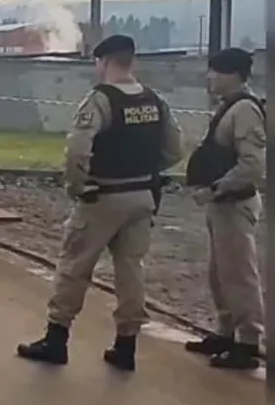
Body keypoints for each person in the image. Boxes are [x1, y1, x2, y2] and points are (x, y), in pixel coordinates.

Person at [16, 34, 183, 372]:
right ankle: (126, 346)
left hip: (103, 197)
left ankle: (56, 339)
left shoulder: (100, 100)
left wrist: (78, 186)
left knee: (74, 267)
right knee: (131, 271)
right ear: (131, 61)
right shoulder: (155, 100)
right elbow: (175, 150)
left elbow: (78, 150)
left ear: (104, 62)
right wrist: (145, 173)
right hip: (143, 197)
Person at [183, 47, 265, 371]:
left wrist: (218, 187)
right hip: (222, 203)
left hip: (234, 202)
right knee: (219, 274)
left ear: (232, 74)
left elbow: (253, 165)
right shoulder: (229, 108)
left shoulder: (244, 110)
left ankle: (247, 341)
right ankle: (226, 330)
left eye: (215, 71)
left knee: (239, 273)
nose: (210, 77)